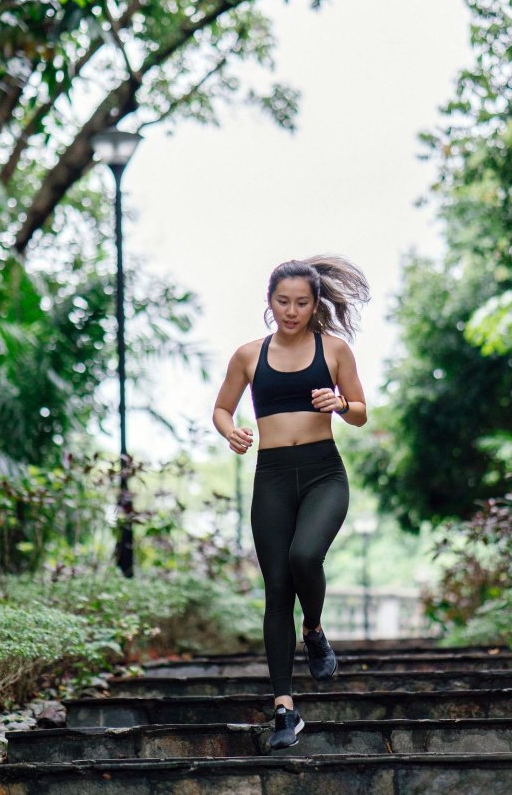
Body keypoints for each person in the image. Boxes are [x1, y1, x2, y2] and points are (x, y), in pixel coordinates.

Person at [212, 255, 369, 750]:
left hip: (324, 473)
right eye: (283, 301)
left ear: (315, 303)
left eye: (302, 302)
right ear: (269, 302)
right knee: (277, 588)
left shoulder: (335, 350)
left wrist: (341, 405)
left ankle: (315, 629)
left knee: (305, 556)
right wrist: (231, 431)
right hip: (273, 477)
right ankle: (285, 710)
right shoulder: (248, 356)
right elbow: (221, 407)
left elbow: (362, 412)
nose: (292, 310)